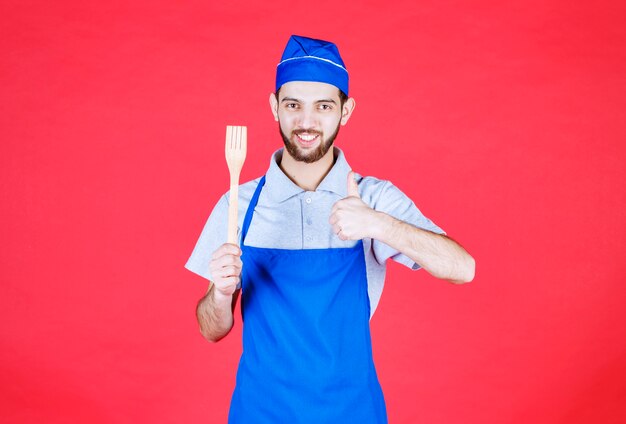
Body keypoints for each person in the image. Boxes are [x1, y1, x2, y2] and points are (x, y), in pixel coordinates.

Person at [186, 34, 475, 424]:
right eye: (293, 105)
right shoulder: (238, 203)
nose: (306, 122)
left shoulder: (373, 197)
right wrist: (220, 295)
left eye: (323, 106)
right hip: (260, 411)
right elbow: (211, 329)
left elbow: (463, 269)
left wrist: (379, 224)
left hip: (353, 411)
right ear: (274, 107)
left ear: (346, 110)